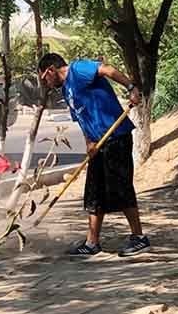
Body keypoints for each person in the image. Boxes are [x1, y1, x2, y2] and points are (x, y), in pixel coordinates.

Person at [38, 53, 151, 257]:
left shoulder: (78, 70)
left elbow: (107, 70)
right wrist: (89, 143)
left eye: (44, 77)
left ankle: (139, 238)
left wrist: (131, 88)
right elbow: (82, 119)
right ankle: (92, 243)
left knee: (121, 186)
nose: (45, 83)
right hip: (99, 143)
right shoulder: (67, 90)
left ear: (51, 70)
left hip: (116, 136)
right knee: (94, 191)